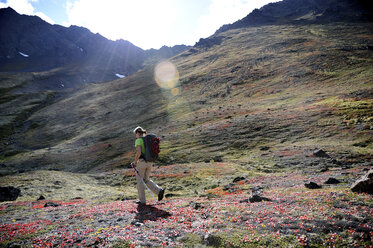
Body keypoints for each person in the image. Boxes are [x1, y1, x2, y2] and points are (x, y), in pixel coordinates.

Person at [131, 126, 164, 205]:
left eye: (135, 134)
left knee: (140, 181)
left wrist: (135, 162)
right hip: (150, 162)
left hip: (142, 162)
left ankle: (142, 201)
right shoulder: (147, 140)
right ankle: (159, 190)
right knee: (146, 179)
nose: (135, 136)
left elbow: (139, 152)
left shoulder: (139, 140)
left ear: (138, 133)